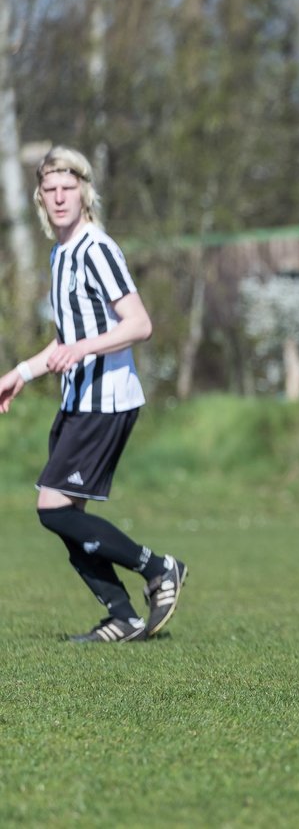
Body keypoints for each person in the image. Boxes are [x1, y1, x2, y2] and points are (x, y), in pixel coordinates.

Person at [0, 146, 187, 643]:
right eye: (50, 189)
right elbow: (67, 339)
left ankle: (158, 567)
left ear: (84, 192)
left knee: (52, 508)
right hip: (75, 400)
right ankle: (123, 616)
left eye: (69, 187)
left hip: (107, 401)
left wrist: (81, 348)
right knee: (68, 520)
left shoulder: (97, 248)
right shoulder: (60, 254)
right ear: (40, 197)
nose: (60, 197)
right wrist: (21, 372)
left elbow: (139, 324)